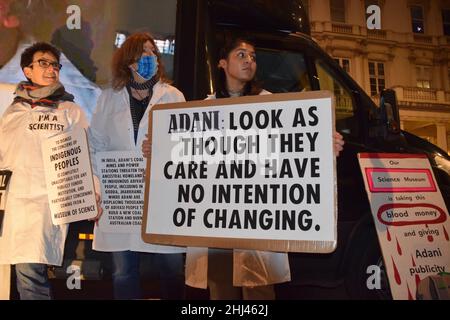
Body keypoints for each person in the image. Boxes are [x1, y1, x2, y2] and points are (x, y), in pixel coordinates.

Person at [182, 37, 345, 300]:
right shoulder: (205, 107)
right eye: (241, 55)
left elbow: (294, 148)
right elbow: (186, 157)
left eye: (253, 57)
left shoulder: (272, 105)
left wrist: (325, 147)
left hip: (257, 215)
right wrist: (156, 151)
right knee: (221, 290)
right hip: (217, 217)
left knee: (259, 290)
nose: (249, 61)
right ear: (223, 63)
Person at [88, 32, 186, 300]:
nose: (150, 57)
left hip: (162, 196)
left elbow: (187, 148)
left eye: (153, 52)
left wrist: (164, 150)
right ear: (129, 60)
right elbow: (95, 146)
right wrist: (94, 190)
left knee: (171, 269)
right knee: (123, 272)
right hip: (119, 196)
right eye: (144, 52)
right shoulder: (108, 97)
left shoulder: (173, 96)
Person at [0, 42, 94, 299]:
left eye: (55, 65)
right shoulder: (13, 111)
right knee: (21, 273)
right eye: (44, 63)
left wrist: (94, 191)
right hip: (15, 204)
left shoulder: (69, 110)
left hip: (47, 203)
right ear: (27, 70)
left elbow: (87, 153)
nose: (51, 69)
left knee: (31, 270)